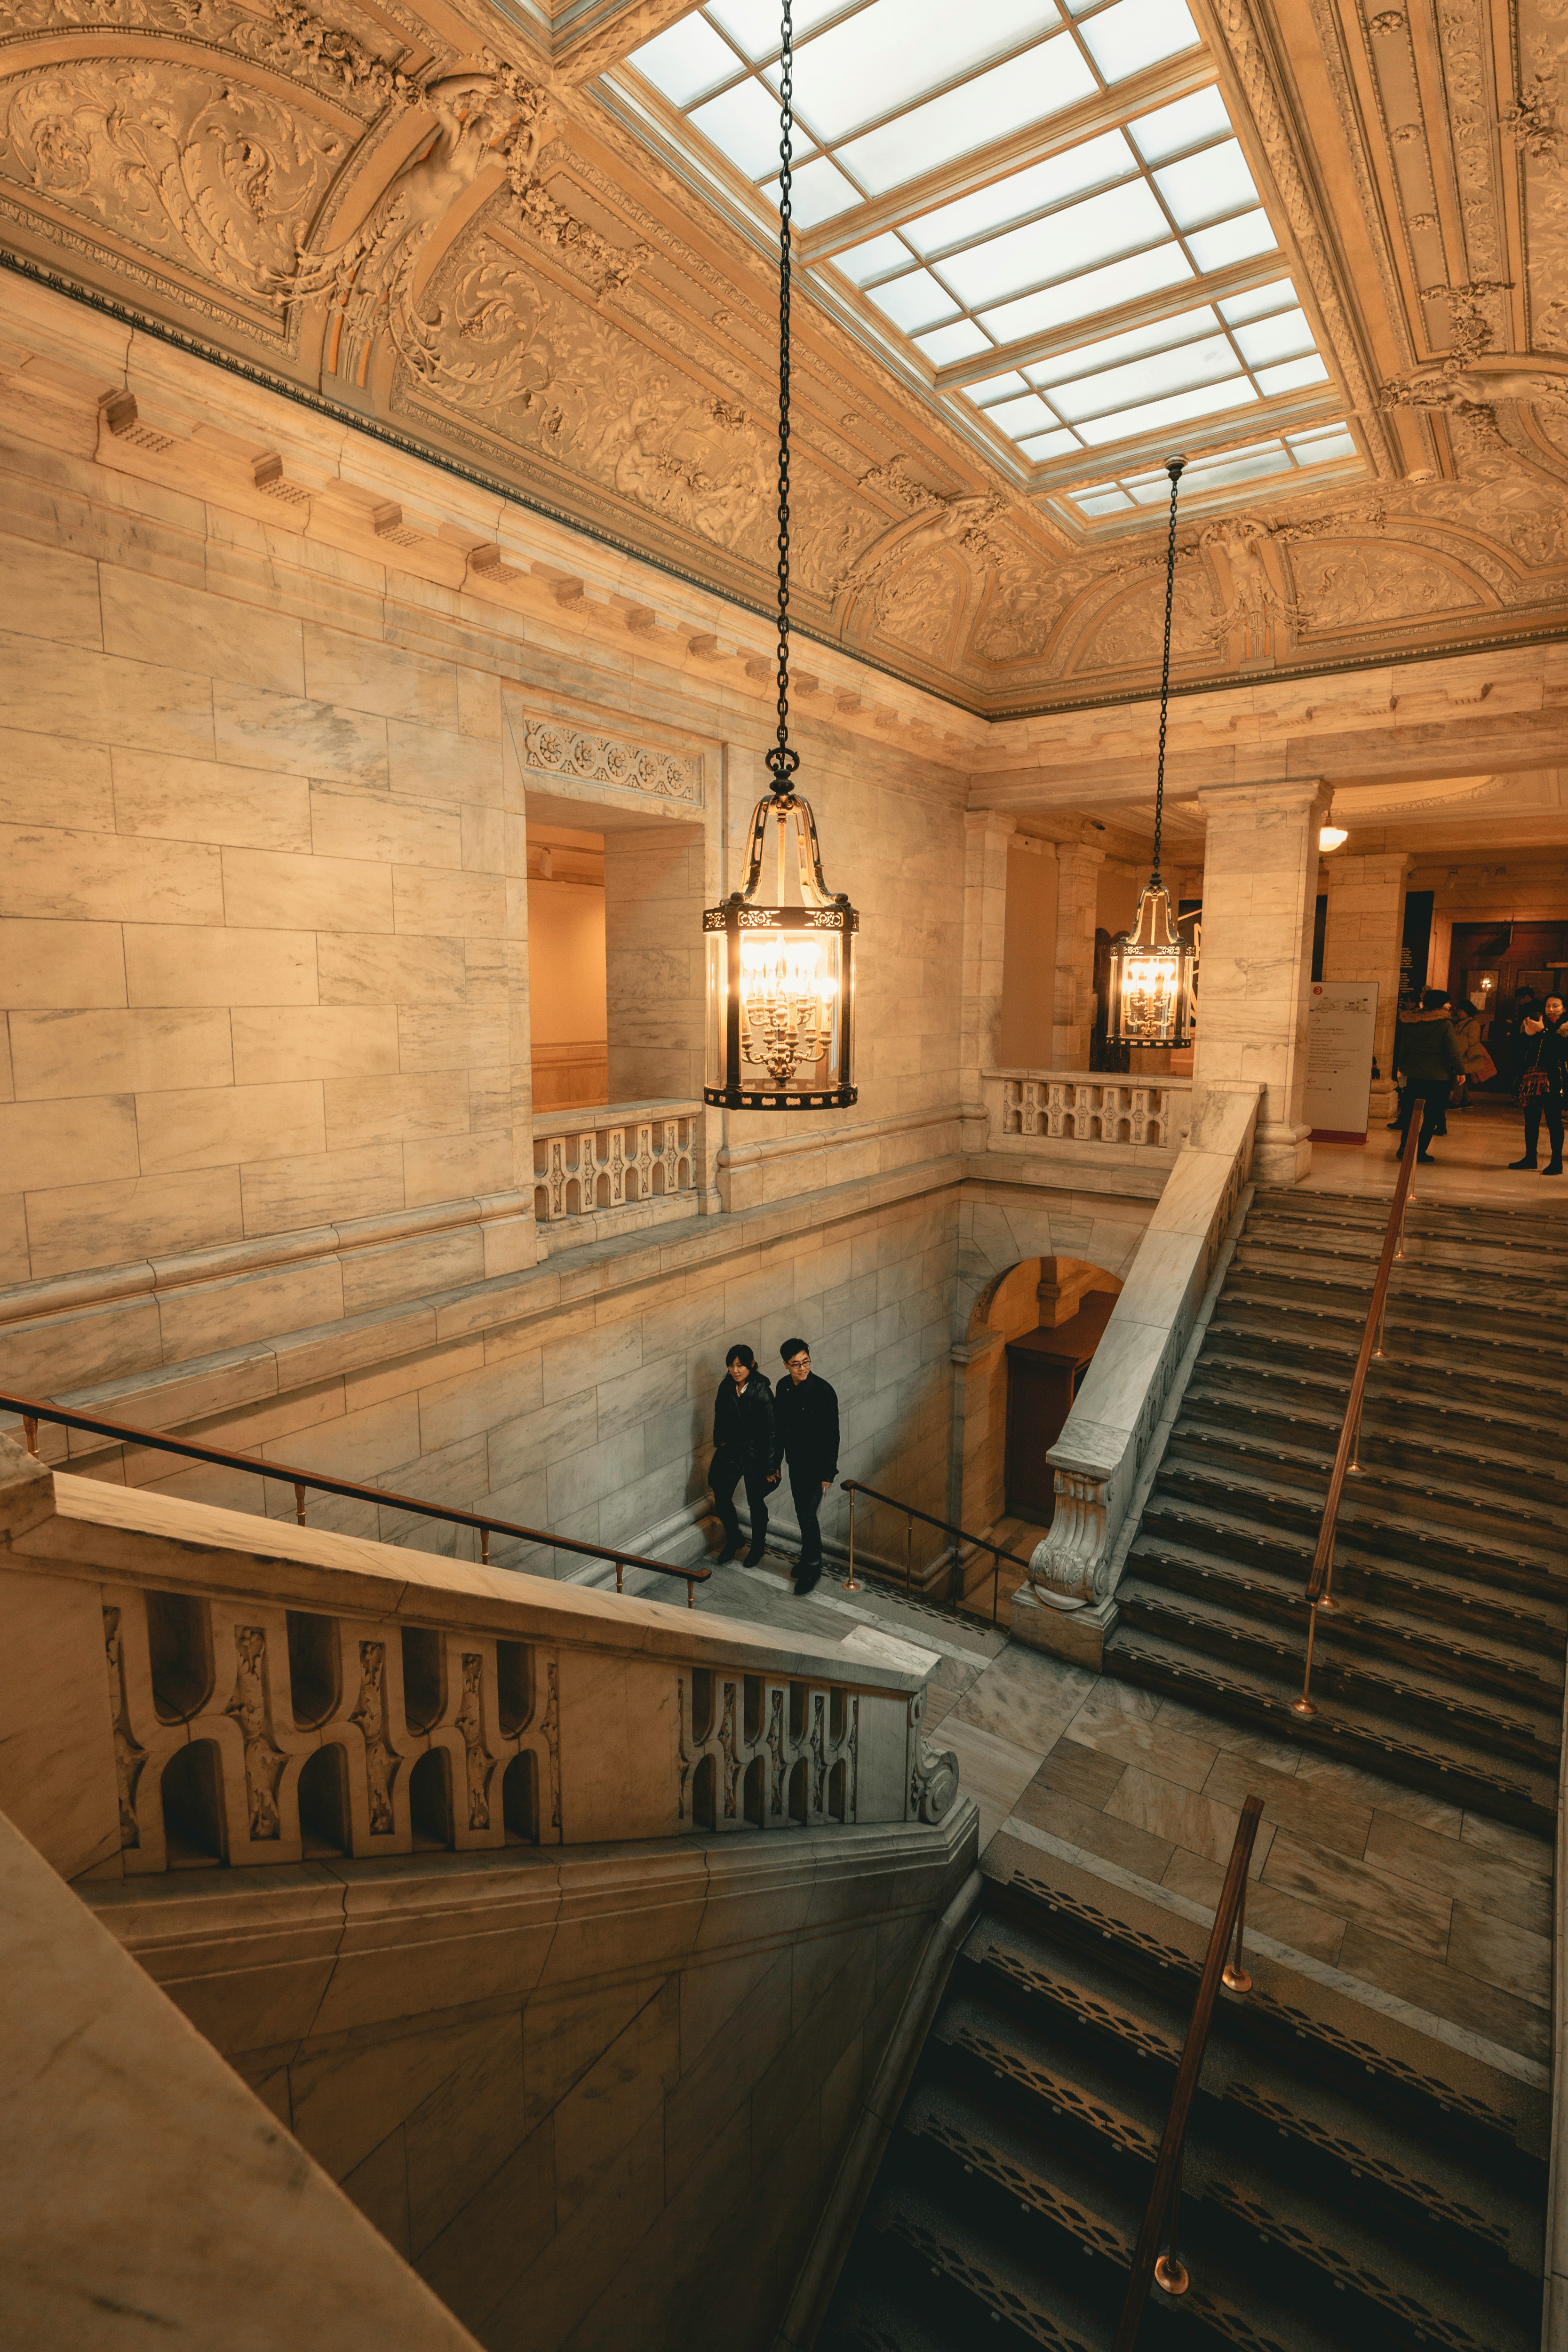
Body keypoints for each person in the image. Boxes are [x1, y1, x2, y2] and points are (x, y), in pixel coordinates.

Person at [774, 1338, 839, 1597]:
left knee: (807, 1515)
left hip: (816, 1466)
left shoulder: (824, 1391)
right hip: (795, 1462)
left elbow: (832, 1435)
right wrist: (776, 1463)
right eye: (796, 1364)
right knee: (803, 1514)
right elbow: (780, 1429)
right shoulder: (783, 1387)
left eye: (806, 1362)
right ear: (786, 1365)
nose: (802, 1368)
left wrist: (828, 1473)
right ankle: (808, 1559)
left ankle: (813, 1565)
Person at [709, 1343, 780, 1566]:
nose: (735, 1370)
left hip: (755, 1455)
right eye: (731, 1366)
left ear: (751, 1365)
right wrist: (720, 1439)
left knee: (756, 1502)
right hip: (732, 1450)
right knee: (720, 1494)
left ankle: (757, 1548)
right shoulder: (727, 1386)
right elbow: (719, 1412)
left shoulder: (762, 1392)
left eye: (740, 1365)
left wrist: (771, 1466)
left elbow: (772, 1431)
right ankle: (735, 1539)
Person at [1393, 988, 1465, 1163]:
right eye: (1447, 1002)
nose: (1449, 1006)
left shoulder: (1412, 1021)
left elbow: (1404, 1047)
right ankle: (1420, 1151)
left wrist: (1401, 1066)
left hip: (1415, 1074)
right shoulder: (1445, 1024)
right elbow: (1453, 1051)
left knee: (1410, 1113)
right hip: (1438, 1077)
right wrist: (1460, 1071)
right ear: (1440, 1004)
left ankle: (1404, 1148)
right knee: (1432, 1115)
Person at [1510, 993, 1566, 1175]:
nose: (1551, 1009)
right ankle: (1530, 1158)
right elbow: (1523, 1051)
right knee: (1531, 1120)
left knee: (1553, 1122)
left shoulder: (1565, 1027)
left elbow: (1560, 1051)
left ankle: (1557, 1162)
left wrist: (1542, 1031)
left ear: (1564, 1009)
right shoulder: (1538, 1022)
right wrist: (1526, 1034)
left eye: (1556, 1006)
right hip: (1532, 1077)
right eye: (1548, 1006)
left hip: (1554, 1079)